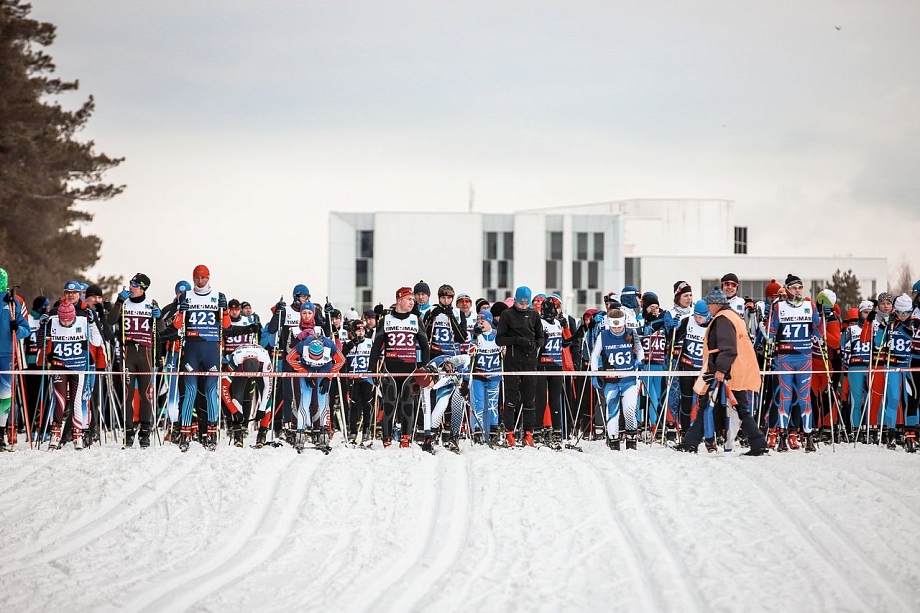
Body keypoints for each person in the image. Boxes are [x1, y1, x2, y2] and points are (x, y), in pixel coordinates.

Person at [676, 289, 769, 456]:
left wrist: (720, 370)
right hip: (734, 369)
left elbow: (728, 348)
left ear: (716, 304)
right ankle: (691, 442)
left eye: (710, 305)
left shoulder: (723, 319)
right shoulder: (733, 316)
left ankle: (758, 443)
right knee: (709, 405)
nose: (709, 308)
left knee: (734, 408)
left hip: (727, 371)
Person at [172, 264, 228, 452]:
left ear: (208, 278)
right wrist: (181, 310)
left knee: (212, 392)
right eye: (196, 277)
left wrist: (225, 310)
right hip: (192, 349)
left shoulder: (218, 295)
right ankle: (185, 432)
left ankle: (211, 432)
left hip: (211, 349)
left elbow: (226, 325)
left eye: (203, 277)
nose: (199, 280)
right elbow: (176, 325)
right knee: (190, 391)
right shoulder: (187, 295)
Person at [368, 286, 430, 447]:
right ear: (399, 300)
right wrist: (371, 369)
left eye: (412, 300)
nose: (412, 302)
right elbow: (376, 347)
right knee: (389, 404)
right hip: (390, 368)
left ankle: (406, 438)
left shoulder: (416, 320)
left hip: (410, 369)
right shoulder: (385, 320)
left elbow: (425, 346)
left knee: (407, 404)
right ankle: (387, 440)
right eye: (409, 299)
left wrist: (424, 367)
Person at [768, 274, 822, 452]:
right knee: (785, 397)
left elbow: (818, 330)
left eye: (800, 287)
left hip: (804, 358)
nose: (797, 290)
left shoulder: (809, 305)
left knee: (804, 398)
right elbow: (771, 332)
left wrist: (822, 315)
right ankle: (782, 437)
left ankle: (808, 437)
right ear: (787, 289)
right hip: (785, 358)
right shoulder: (779, 307)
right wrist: (766, 322)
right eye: (793, 288)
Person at [41, 299, 104, 450]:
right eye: (64, 321)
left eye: (69, 321)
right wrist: (42, 326)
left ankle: (78, 436)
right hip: (60, 367)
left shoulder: (82, 321)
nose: (67, 323)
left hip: (78, 367)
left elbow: (97, 341)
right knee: (60, 401)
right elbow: (40, 343)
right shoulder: (54, 321)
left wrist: (93, 322)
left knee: (77, 401)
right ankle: (55, 436)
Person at [107, 273, 160, 448]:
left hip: (145, 352)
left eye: (134, 284)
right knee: (128, 395)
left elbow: (160, 330)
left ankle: (145, 433)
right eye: (130, 283)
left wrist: (158, 317)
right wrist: (119, 302)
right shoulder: (124, 302)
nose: (130, 287)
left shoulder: (151, 303)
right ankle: (128, 432)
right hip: (128, 352)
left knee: (146, 395)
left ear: (143, 288)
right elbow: (110, 320)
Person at [495, 286, 544, 447]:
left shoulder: (534, 314)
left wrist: (535, 344)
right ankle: (510, 432)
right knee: (512, 398)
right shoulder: (507, 314)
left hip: (530, 361)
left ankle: (528, 433)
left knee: (529, 398)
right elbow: (499, 340)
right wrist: (517, 340)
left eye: (526, 304)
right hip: (513, 361)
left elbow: (541, 337)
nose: (523, 307)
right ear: (515, 300)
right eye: (521, 303)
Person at [590, 308, 644, 450]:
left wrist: (641, 362)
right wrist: (595, 373)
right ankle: (613, 441)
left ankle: (631, 440)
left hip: (629, 379)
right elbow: (595, 355)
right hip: (611, 380)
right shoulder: (603, 335)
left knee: (629, 409)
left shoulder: (631, 333)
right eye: (614, 327)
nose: (617, 330)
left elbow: (639, 350)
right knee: (612, 412)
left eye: (619, 326)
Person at [287, 335, 345, 452]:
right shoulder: (303, 345)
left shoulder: (329, 346)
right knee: (305, 398)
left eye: (317, 358)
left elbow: (342, 360)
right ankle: (300, 432)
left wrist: (328, 377)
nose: (315, 361)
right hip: (307, 369)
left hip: (324, 369)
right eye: (312, 357)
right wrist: (304, 372)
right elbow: (289, 358)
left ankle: (324, 433)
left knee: (322, 399)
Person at [534, 295, 571, 449]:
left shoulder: (557, 323)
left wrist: (566, 327)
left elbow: (566, 343)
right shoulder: (540, 323)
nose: (555, 311)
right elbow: (536, 343)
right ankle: (537, 430)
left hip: (556, 365)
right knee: (541, 400)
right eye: (553, 308)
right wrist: (542, 337)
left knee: (555, 399)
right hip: (542, 364)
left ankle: (557, 430)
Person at [221, 342, 274, 447]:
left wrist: (262, 408)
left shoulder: (265, 359)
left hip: (259, 366)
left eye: (251, 375)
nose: (249, 377)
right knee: (237, 396)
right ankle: (237, 432)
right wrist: (234, 411)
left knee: (267, 398)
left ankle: (262, 433)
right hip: (240, 367)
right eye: (248, 375)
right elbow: (223, 387)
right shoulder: (236, 359)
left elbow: (269, 387)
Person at [0, 269, 30, 450]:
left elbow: (26, 329)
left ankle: (1, 432)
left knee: (5, 395)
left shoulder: (14, 302)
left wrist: (16, 329)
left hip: (6, 353)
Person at [469, 310, 501, 444]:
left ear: (489, 321)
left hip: (494, 375)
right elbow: (469, 353)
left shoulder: (497, 335)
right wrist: (474, 338)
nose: (480, 324)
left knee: (493, 404)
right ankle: (477, 430)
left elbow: (503, 351)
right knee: (479, 403)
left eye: (483, 321)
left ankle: (494, 430)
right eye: (478, 322)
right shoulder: (476, 336)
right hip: (479, 375)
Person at [341, 320, 374, 444]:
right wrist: (351, 345)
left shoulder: (370, 342)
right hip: (353, 379)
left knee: (367, 405)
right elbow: (341, 356)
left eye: (362, 330)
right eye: (358, 330)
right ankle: (353, 431)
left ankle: (366, 431)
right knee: (354, 406)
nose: (361, 332)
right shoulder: (349, 344)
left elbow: (377, 358)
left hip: (366, 379)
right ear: (353, 332)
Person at [423, 284, 468, 358]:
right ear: (439, 298)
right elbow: (424, 336)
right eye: (443, 297)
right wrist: (431, 319)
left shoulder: (458, 313)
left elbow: (462, 338)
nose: (446, 301)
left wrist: (452, 319)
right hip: (435, 353)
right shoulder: (431, 311)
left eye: (449, 298)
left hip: (453, 353)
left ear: (452, 298)